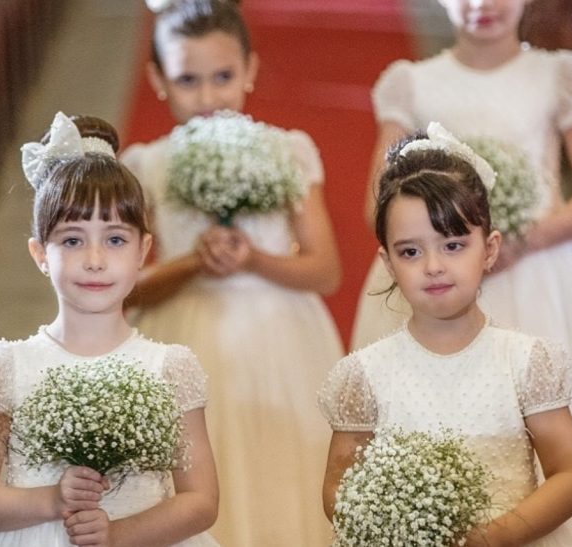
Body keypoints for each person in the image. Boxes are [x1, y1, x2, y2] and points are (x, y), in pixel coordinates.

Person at [349, 1, 572, 545]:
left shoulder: (558, 75)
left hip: (547, 277)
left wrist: (524, 237)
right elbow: (380, 193)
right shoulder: (411, 83)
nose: (482, 5)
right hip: (438, 275)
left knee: (556, 423)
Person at [120, 1, 343, 544]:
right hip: (186, 337)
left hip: (282, 337)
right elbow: (123, 291)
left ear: (250, 69)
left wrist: (253, 258)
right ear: (157, 79)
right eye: (187, 80)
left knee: (283, 465)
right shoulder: (146, 164)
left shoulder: (285, 151)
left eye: (223, 77)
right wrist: (194, 261)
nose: (209, 97)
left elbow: (326, 270)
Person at [0, 112, 219, 547]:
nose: (94, 259)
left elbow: (201, 501)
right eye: (72, 240)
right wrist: (52, 500)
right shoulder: (5, 366)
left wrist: (117, 533)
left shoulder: (170, 367)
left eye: (114, 239)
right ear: (40, 253)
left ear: (143, 250)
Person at [321, 125, 572, 546]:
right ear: (388, 263)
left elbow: (570, 477)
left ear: (489, 249)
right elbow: (339, 486)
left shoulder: (525, 362)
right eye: (411, 252)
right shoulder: (364, 375)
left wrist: (489, 538)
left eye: (453, 245)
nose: (433, 266)